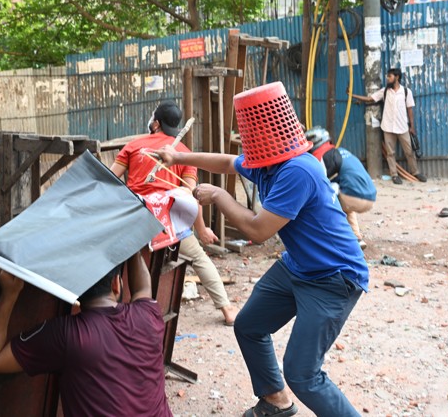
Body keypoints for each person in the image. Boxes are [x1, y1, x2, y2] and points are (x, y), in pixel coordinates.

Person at [155, 81, 368, 417]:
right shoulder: (266, 159)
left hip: (333, 278)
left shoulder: (298, 169)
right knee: (249, 325)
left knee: (303, 374)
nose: (246, 138)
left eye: (249, 131)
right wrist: (176, 155)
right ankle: (276, 401)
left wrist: (220, 197)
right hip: (298, 265)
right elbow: (227, 163)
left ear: (268, 131)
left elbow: (258, 229)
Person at [0, 253, 172, 417]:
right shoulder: (148, 314)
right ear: (117, 285)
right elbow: (142, 288)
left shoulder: (66, 335)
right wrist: (133, 247)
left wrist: (9, 294)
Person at [110, 100, 238, 326]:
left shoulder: (134, 145)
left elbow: (109, 180)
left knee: (115, 260)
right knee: (198, 257)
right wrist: (201, 229)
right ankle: (227, 310)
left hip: (134, 221)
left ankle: (113, 311)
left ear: (155, 123)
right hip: (169, 226)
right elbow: (190, 196)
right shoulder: (184, 153)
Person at [305, 127, 377, 250]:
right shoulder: (341, 151)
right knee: (342, 195)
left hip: (353, 197)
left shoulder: (323, 156)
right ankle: (356, 237)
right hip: (370, 197)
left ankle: (330, 241)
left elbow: (318, 184)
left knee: (323, 198)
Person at [351, 68, 427, 184]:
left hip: (402, 127)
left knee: (409, 152)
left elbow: (410, 110)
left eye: (389, 76)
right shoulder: (385, 91)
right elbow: (370, 98)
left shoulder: (406, 92)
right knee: (390, 153)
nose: (387, 79)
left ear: (397, 77)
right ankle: (394, 175)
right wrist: (353, 95)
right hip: (388, 127)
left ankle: (415, 172)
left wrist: (412, 126)